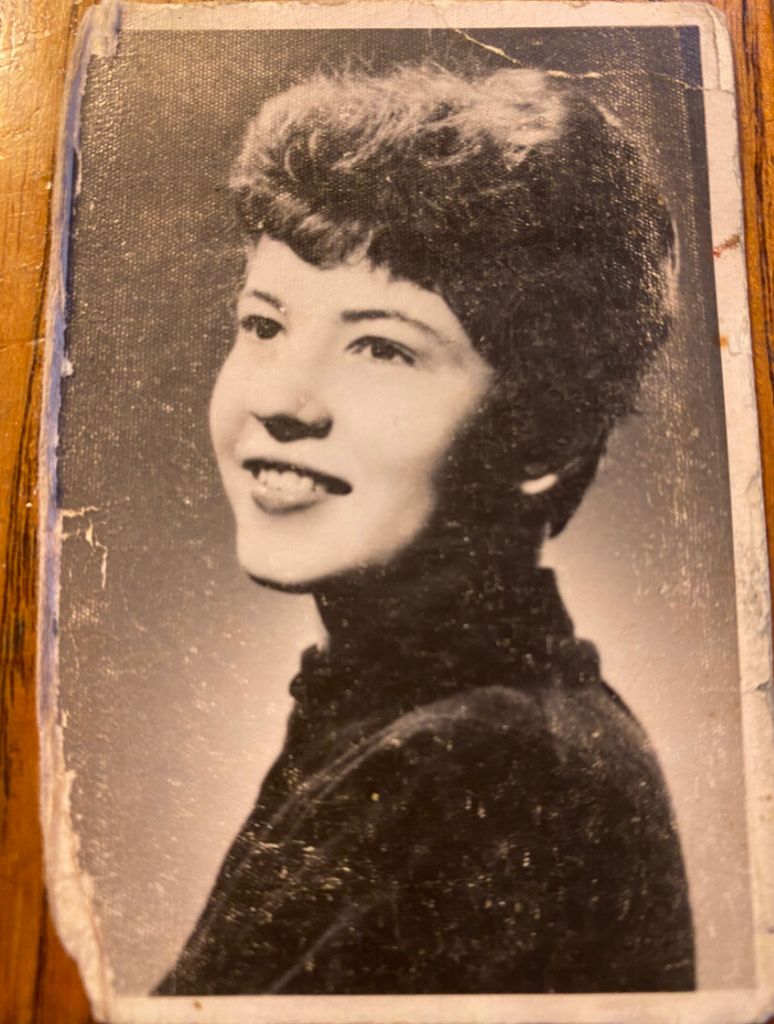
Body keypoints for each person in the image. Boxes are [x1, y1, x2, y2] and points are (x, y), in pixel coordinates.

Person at [156, 62, 694, 996]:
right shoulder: (414, 726)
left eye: (382, 347)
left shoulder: (482, 766)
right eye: (264, 325)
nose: (283, 400)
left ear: (547, 428)